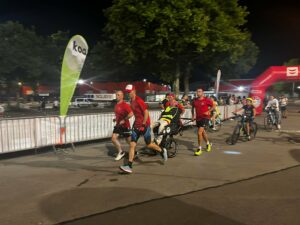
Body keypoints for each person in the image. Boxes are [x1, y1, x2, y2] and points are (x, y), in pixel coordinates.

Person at [119, 84, 168, 174]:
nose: (128, 94)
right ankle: (129, 166)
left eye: (129, 92)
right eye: (127, 92)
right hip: (136, 126)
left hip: (145, 126)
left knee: (149, 144)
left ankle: (162, 150)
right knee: (132, 145)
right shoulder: (131, 101)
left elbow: (146, 113)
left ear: (134, 91)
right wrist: (124, 119)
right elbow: (133, 114)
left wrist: (144, 124)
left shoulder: (139, 101)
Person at [112, 90, 133, 161]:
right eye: (116, 95)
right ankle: (121, 152)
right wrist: (116, 118)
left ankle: (133, 152)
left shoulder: (125, 105)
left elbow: (131, 114)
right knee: (113, 138)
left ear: (122, 96)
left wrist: (124, 120)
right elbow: (118, 114)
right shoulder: (117, 105)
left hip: (125, 126)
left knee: (129, 141)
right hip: (118, 125)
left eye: (118, 95)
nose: (117, 96)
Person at [192, 88, 214, 156]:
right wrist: (193, 116)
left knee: (199, 133)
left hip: (205, 117)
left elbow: (213, 106)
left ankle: (199, 149)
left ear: (202, 92)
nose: (198, 93)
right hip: (198, 118)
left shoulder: (207, 99)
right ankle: (208, 144)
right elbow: (192, 108)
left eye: (199, 91)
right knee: (203, 132)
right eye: (197, 91)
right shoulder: (194, 100)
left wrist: (208, 111)